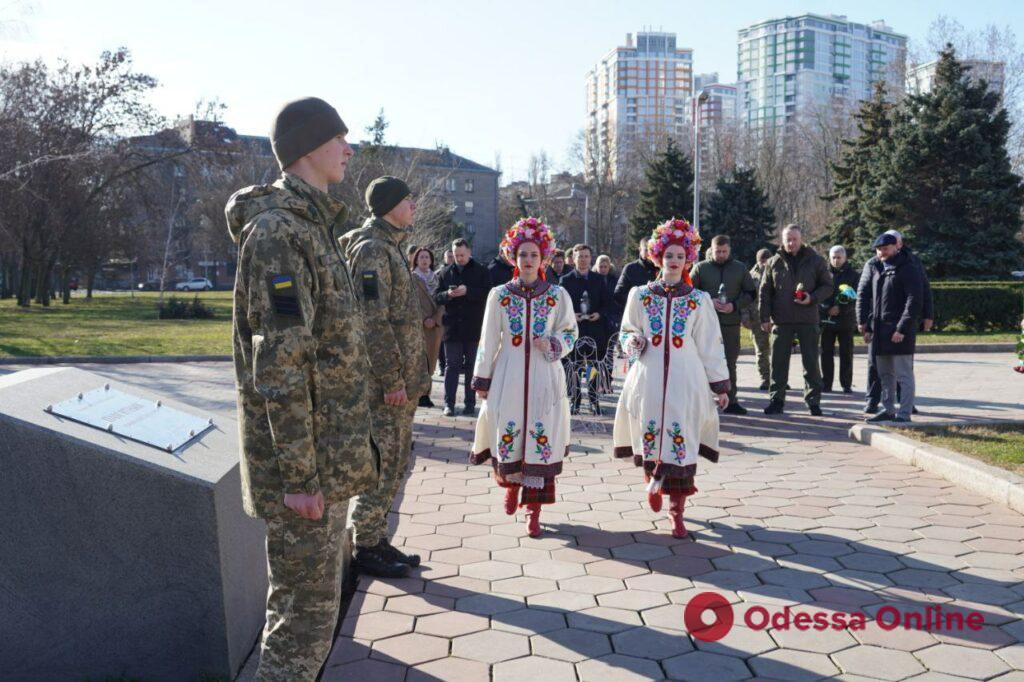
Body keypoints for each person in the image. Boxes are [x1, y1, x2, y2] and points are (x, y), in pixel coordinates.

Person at [226, 97, 379, 681]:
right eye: (341, 138)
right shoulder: (278, 234)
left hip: (324, 460)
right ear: (309, 149)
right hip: (305, 471)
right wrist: (299, 481)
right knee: (301, 626)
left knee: (311, 618)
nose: (348, 149)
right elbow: (281, 363)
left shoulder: (313, 226)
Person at [613, 218, 730, 538]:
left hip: (686, 380)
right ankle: (653, 481)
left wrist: (719, 385)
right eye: (669, 256)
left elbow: (710, 345)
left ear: (688, 259)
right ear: (658, 257)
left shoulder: (699, 300)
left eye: (680, 256)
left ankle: (677, 510)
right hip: (648, 377)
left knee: (682, 440)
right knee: (650, 434)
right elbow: (628, 331)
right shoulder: (639, 295)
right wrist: (632, 342)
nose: (674, 261)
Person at [339, 176, 431, 579]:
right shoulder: (373, 250)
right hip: (384, 386)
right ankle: (366, 544)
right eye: (408, 199)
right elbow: (372, 320)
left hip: (401, 384)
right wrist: (392, 378)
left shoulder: (390, 246)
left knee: (394, 462)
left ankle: (375, 537)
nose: (413, 205)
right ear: (390, 205)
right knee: (382, 462)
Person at [470, 217, 578, 537]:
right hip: (509, 375)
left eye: (534, 254)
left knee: (541, 438)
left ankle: (534, 509)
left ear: (543, 258)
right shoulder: (499, 295)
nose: (528, 260)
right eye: (523, 255)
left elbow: (570, 332)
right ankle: (510, 486)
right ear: (513, 258)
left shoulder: (557, 295)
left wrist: (555, 343)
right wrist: (482, 379)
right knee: (509, 433)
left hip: (546, 377)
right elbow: (488, 340)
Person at [758, 224, 834, 416]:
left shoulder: (815, 261)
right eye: (788, 239)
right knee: (778, 363)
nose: (791, 243)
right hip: (781, 320)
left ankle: (813, 401)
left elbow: (827, 286)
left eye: (794, 239)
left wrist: (812, 298)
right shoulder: (774, 262)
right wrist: (764, 317)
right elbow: (765, 291)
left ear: (801, 239)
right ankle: (776, 401)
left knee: (811, 363)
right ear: (782, 241)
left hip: (807, 319)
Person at [861, 229, 934, 413]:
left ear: (897, 247)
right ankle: (888, 411)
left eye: (885, 248)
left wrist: (902, 328)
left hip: (900, 332)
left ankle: (904, 413)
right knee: (885, 375)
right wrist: (867, 326)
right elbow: (870, 300)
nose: (881, 252)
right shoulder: (877, 268)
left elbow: (914, 300)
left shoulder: (908, 267)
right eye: (878, 249)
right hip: (881, 331)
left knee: (903, 374)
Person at [690, 235, 757, 415]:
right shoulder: (700, 268)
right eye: (717, 251)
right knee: (700, 363)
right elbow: (688, 292)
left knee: (730, 362)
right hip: (704, 325)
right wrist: (707, 301)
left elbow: (751, 292)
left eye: (724, 251)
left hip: (730, 323)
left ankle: (731, 400)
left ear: (729, 250)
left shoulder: (739, 268)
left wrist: (734, 305)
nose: (720, 255)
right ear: (711, 249)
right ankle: (701, 401)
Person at [434, 238, 490, 417]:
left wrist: (469, 291)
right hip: (452, 327)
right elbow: (436, 296)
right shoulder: (444, 272)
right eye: (456, 255)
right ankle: (448, 403)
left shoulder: (481, 271)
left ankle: (469, 403)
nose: (459, 258)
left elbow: (489, 294)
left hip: (473, 326)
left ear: (469, 252)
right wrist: (448, 294)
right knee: (452, 366)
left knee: (472, 366)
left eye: (462, 255)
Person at [560, 244, 611, 414]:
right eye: (579, 256)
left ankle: (593, 399)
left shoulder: (598, 279)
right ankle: (575, 399)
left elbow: (607, 304)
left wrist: (599, 314)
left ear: (590, 259)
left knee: (592, 366)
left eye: (586, 256)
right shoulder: (566, 280)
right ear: (573, 259)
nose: (583, 259)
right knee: (574, 366)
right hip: (574, 331)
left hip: (595, 330)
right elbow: (561, 306)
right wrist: (571, 315)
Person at [820, 245, 858, 393]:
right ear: (829, 258)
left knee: (846, 353)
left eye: (839, 257)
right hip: (827, 320)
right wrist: (826, 308)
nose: (836, 260)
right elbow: (819, 293)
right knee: (826, 353)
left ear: (845, 258)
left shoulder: (853, 275)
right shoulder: (823, 274)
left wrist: (840, 308)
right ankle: (826, 383)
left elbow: (854, 297)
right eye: (833, 257)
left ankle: (846, 384)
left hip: (846, 321)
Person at [411, 246, 444, 406]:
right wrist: (424, 318)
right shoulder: (412, 278)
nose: (424, 260)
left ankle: (426, 393)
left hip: (435, 325)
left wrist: (435, 318)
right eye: (421, 257)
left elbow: (443, 301)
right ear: (416, 260)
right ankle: (420, 395)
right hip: (418, 325)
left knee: (431, 360)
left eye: (427, 257)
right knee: (419, 361)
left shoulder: (438, 278)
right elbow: (410, 302)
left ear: (431, 261)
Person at [748, 248, 773, 390]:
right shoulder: (751, 276)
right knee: (761, 350)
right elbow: (747, 298)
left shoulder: (776, 272)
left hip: (774, 317)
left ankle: (778, 378)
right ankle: (765, 378)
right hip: (756, 318)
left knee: (778, 351)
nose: (764, 265)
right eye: (761, 262)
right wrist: (746, 317)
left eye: (766, 261)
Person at [614, 237, 660, 309]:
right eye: (646, 250)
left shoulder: (662, 269)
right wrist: (640, 300)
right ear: (640, 250)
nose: (649, 253)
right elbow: (619, 294)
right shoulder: (630, 269)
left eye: (652, 250)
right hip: (636, 312)